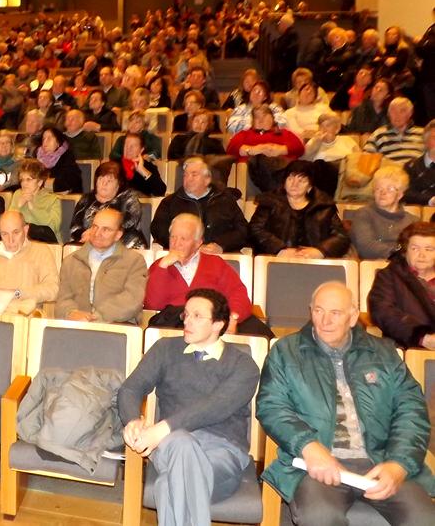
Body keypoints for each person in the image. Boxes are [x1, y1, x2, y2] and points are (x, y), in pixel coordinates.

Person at [256, 281, 435, 525]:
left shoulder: (383, 353)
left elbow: (411, 411)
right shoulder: (286, 352)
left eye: (335, 313)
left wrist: (399, 464)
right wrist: (309, 447)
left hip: (380, 461)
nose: (325, 321)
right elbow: (272, 406)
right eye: (318, 311)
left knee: (424, 519)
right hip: (318, 466)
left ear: (352, 317)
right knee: (320, 517)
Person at [118, 288, 260, 526]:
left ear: (218, 324)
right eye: (186, 315)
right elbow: (130, 388)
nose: (187, 321)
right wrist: (132, 419)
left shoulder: (244, 365)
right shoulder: (165, 349)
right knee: (181, 442)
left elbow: (216, 406)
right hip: (170, 446)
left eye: (197, 315)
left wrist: (165, 427)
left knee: (167, 486)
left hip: (222, 453)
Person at [144, 214, 254, 329]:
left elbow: (238, 294)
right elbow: (152, 306)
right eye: (173, 237)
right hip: (172, 328)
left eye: (183, 239)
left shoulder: (216, 264)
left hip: (211, 328)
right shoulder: (159, 266)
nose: (176, 243)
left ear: (198, 243)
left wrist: (233, 317)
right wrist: (162, 267)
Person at [56, 208, 147, 323]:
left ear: (118, 235)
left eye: (106, 229)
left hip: (119, 326)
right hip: (78, 325)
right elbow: (63, 299)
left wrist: (97, 317)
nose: (97, 233)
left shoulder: (134, 261)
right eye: (95, 227)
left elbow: (132, 300)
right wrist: (71, 313)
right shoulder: (71, 261)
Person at [250, 160, 350, 258]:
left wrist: (320, 251)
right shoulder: (269, 201)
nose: (294, 184)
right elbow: (255, 229)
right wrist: (279, 249)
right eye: (290, 179)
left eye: (301, 180)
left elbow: (341, 236)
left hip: (314, 262)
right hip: (277, 259)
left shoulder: (324, 205)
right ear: (284, 182)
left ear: (309, 186)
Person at [151, 156, 249, 253]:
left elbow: (243, 231)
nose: (188, 179)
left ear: (207, 179)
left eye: (194, 175)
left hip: (219, 257)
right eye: (185, 175)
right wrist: (189, 246)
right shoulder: (170, 202)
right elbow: (158, 230)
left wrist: (221, 245)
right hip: (182, 257)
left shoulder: (225, 200)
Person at [368, 222, 435, 349]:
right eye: (415, 248)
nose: (422, 255)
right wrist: (422, 338)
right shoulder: (389, 276)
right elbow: (383, 312)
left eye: (428, 249)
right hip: (409, 348)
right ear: (405, 251)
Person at [69, 161, 148, 248]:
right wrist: (85, 234)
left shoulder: (128, 198)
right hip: (88, 245)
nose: (104, 184)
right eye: (100, 179)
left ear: (119, 184)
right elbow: (75, 227)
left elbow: (129, 223)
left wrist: (97, 234)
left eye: (109, 181)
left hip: (123, 246)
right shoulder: (86, 199)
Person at [349, 166, 418, 260]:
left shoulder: (413, 221)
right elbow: (366, 247)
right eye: (378, 188)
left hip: (406, 269)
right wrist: (397, 254)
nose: (383, 193)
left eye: (389, 189)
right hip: (372, 269)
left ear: (400, 195)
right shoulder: (363, 214)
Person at [8, 159, 62, 244]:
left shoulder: (52, 199)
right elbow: (8, 223)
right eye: (22, 180)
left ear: (40, 182)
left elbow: (52, 227)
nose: (24, 183)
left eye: (29, 179)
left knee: (35, 230)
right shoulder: (18, 194)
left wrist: (32, 208)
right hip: (21, 242)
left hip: (46, 244)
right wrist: (19, 206)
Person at [363, 97, 424, 163]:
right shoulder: (378, 133)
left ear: (410, 114)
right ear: (389, 114)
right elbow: (366, 157)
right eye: (393, 111)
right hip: (389, 170)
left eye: (402, 111)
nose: (397, 115)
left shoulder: (423, 133)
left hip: (415, 170)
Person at [35, 126, 82, 194]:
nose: (45, 142)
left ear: (58, 142)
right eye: (43, 139)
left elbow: (69, 182)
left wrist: (41, 183)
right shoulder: (37, 158)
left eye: (49, 138)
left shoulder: (67, 157)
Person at [402, 119, 435, 206]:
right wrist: (430, 200)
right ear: (425, 141)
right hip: (417, 215)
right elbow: (406, 193)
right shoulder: (411, 167)